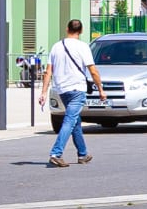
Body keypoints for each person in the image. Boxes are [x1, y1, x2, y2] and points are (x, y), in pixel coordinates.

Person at [40, 19, 103, 167]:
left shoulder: (56, 46)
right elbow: (93, 70)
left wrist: (43, 92)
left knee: (75, 122)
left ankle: (83, 153)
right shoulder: (83, 47)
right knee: (70, 120)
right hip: (77, 89)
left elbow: (48, 71)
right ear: (81, 31)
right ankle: (56, 153)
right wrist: (100, 89)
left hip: (62, 89)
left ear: (67, 28)